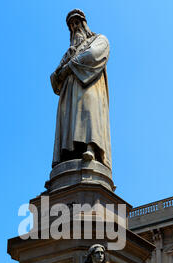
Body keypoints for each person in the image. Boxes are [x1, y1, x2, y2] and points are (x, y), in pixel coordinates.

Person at [51, 9, 112, 169]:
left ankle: (91, 149)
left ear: (84, 23)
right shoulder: (69, 52)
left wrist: (70, 65)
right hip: (68, 93)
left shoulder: (99, 39)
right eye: (71, 25)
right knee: (69, 121)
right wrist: (62, 68)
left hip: (89, 85)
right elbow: (54, 79)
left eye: (76, 23)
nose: (74, 27)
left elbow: (93, 55)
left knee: (89, 114)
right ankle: (66, 155)